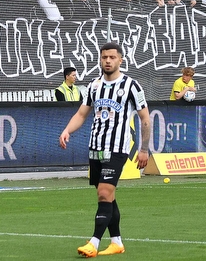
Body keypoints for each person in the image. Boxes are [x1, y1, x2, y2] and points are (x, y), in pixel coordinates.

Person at [59, 42, 151, 257]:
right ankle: (117, 242)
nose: (107, 61)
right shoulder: (93, 86)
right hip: (96, 148)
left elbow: (145, 119)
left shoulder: (132, 86)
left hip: (117, 148)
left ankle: (94, 242)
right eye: (104, 57)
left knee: (103, 193)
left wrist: (144, 149)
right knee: (107, 196)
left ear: (120, 60)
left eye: (112, 57)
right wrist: (67, 130)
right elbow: (82, 114)